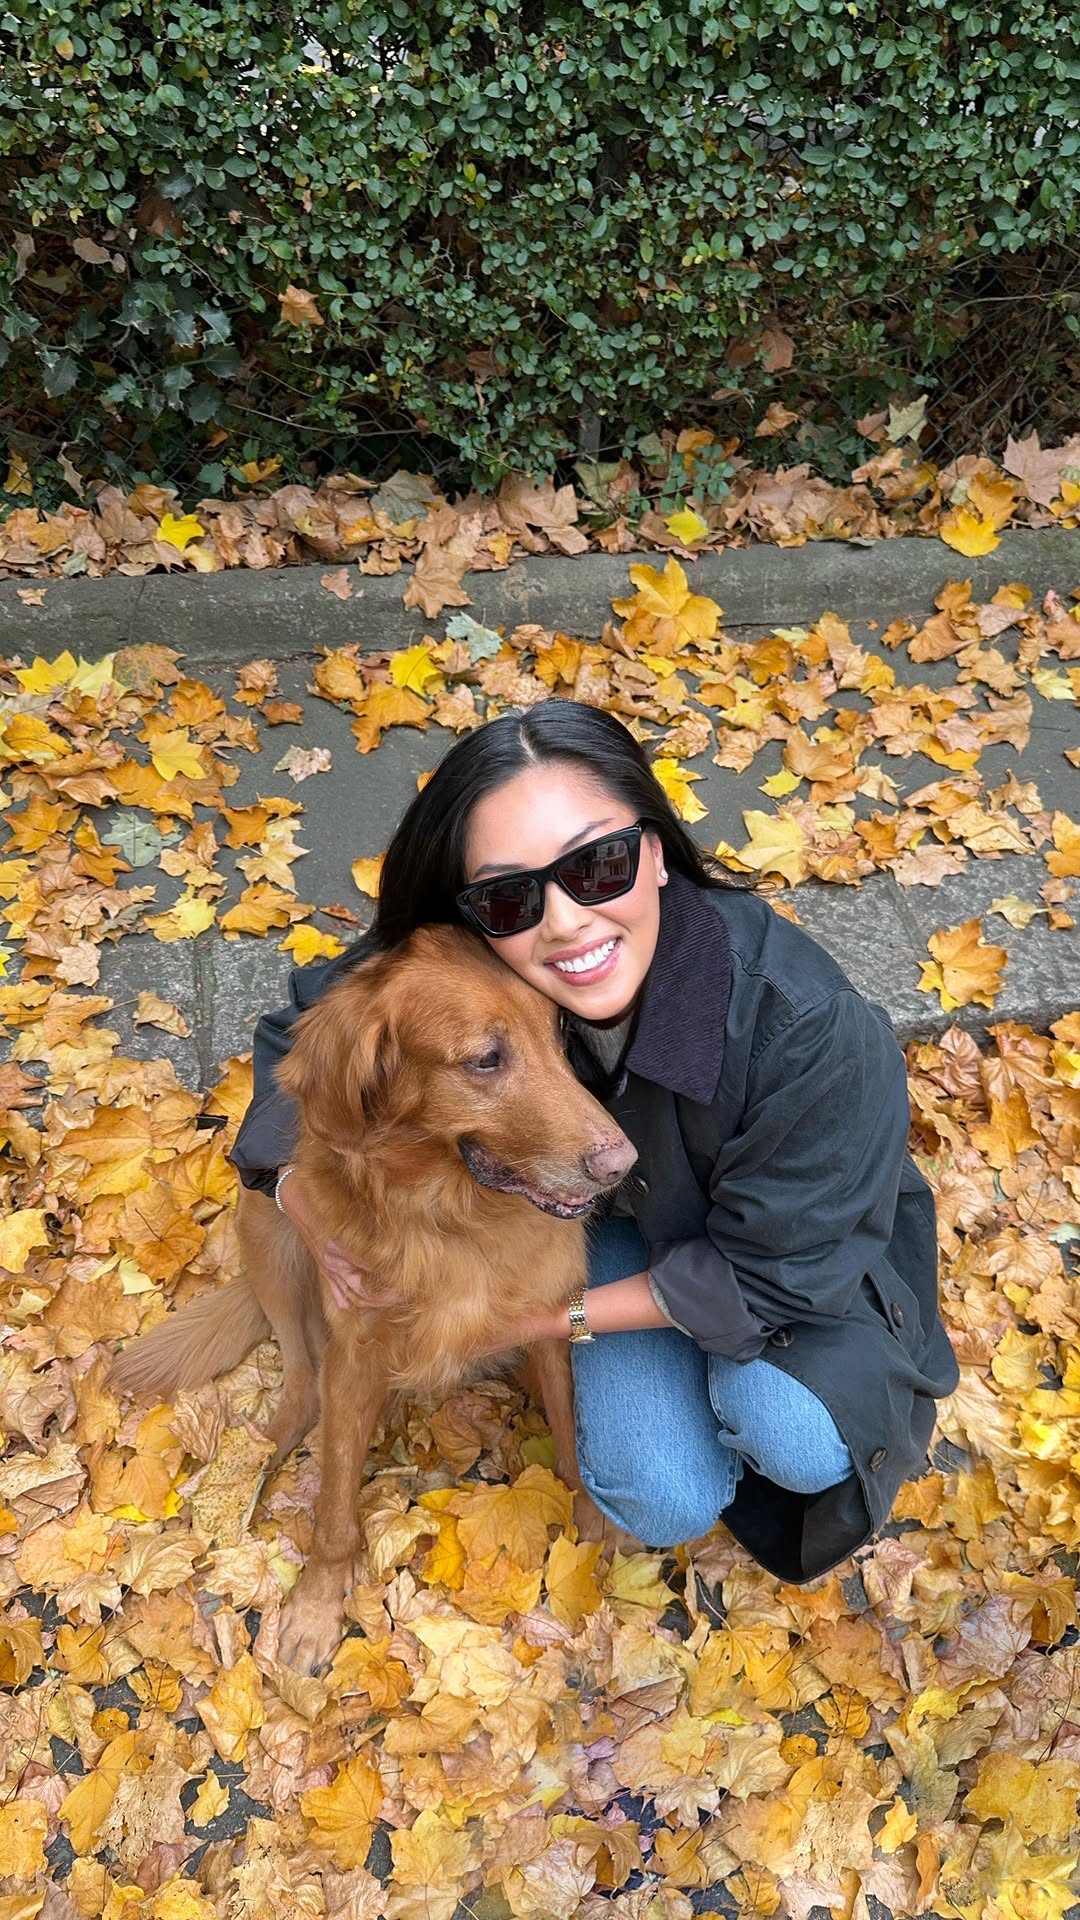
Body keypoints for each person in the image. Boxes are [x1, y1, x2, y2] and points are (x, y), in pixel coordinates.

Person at [231, 700, 959, 1582]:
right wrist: (299, 1201)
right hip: (629, 1225)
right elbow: (305, 1036)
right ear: (475, 911)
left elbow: (781, 1273)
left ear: (654, 852)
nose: (567, 922)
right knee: (662, 1497)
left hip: (794, 1263)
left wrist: (541, 1317)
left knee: (794, 1434)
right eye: (511, 893)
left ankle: (740, 1409)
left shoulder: (809, 1028)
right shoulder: (480, 956)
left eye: (599, 864)